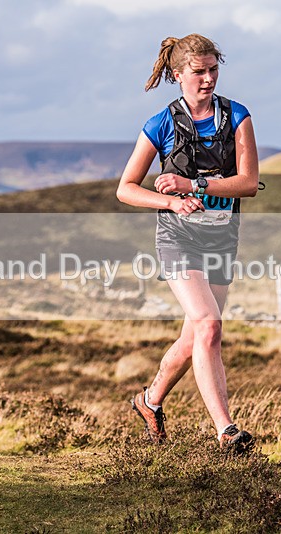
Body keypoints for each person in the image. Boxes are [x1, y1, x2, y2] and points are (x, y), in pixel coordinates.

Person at [116, 34, 259, 453]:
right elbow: (125, 188)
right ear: (178, 75)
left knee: (195, 335)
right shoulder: (160, 123)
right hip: (177, 236)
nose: (209, 79)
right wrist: (168, 201)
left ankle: (149, 400)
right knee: (209, 326)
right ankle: (227, 431)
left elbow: (247, 184)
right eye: (199, 72)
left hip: (221, 235)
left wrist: (192, 183)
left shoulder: (237, 116)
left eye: (214, 70)